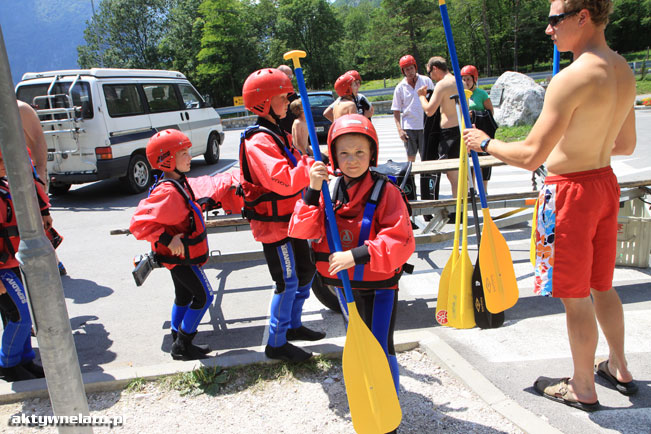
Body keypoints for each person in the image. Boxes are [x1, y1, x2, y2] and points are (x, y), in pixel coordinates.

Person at [464, 0, 637, 411]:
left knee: (575, 296)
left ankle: (582, 387)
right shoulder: (623, 69)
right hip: (603, 184)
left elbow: (529, 156)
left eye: (554, 19)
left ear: (583, 17)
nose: (548, 29)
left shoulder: (572, 77)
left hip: (571, 196)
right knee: (602, 285)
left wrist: (484, 143)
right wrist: (582, 142)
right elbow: (625, 144)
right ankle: (619, 367)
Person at [289, 113, 415, 399]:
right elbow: (302, 230)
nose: (352, 160)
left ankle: (386, 410)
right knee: (357, 344)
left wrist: (355, 255)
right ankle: (366, 395)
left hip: (378, 288)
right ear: (333, 156)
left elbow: (399, 240)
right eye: (344, 153)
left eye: (360, 152)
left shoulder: (387, 191)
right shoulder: (329, 190)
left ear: (372, 154)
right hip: (344, 288)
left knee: (381, 345)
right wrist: (311, 190)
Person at [129, 129, 242, 361]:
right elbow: (138, 224)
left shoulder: (178, 183)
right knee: (204, 296)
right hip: (181, 258)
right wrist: (167, 239)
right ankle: (182, 345)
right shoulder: (168, 192)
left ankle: (177, 338)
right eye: (183, 153)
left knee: (183, 297)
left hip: (179, 258)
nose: (189, 157)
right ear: (167, 160)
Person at [240, 68, 324, 363]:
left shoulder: (279, 134)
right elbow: (282, 179)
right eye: (281, 96)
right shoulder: (257, 141)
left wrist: (317, 163)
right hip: (273, 227)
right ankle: (276, 342)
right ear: (263, 102)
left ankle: (292, 326)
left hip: (292, 220)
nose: (287, 101)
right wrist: (309, 172)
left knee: (306, 272)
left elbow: (298, 159)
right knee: (286, 281)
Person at [0, 148, 50, 382]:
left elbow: (34, 189)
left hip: (16, 261)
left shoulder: (7, 185)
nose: (4, 163)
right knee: (19, 316)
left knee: (26, 315)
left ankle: (25, 359)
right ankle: (7, 364)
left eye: (5, 158)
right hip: (3, 269)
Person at [417, 57, 461, 220]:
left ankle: (457, 210)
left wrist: (421, 96)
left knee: (452, 174)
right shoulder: (459, 81)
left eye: (429, 72)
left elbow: (429, 110)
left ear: (435, 68)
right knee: (457, 171)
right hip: (460, 128)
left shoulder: (443, 84)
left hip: (449, 132)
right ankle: (458, 208)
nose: (430, 76)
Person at [391, 55, 434, 164]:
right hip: (409, 127)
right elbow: (396, 111)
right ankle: (411, 181)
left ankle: (426, 179)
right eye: (406, 69)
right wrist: (399, 130)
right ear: (403, 71)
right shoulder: (400, 87)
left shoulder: (426, 81)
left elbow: (434, 101)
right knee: (411, 158)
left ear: (415, 67)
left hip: (425, 125)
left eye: (411, 68)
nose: (409, 71)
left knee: (427, 157)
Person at [461, 64, 496, 193]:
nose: (465, 82)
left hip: (481, 130)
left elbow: (490, 112)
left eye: (468, 79)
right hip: (467, 131)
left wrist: (475, 113)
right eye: (463, 79)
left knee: (484, 160)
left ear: (474, 79)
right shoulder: (461, 93)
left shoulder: (481, 94)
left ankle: (484, 189)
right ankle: (472, 188)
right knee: (469, 161)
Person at [276, 65, 300, 135]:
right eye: (288, 76)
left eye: (291, 76)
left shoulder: (292, 93)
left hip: (293, 132)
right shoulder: (273, 94)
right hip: (280, 132)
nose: (290, 79)